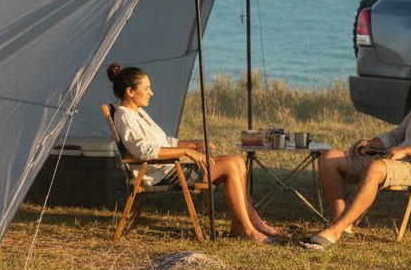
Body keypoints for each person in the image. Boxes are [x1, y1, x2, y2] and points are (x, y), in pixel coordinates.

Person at [302, 53, 411, 250]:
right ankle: (342, 225)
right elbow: (396, 135)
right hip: (396, 161)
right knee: (329, 158)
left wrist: (406, 150)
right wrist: (372, 143)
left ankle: (335, 231)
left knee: (376, 167)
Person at [106, 63, 282, 243]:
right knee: (230, 166)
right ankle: (245, 229)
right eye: (146, 88)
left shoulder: (138, 113)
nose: (151, 92)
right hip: (164, 173)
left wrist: (192, 144)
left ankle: (250, 222)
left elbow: (163, 143)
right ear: (130, 91)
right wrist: (185, 151)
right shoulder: (125, 117)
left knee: (237, 160)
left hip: (170, 167)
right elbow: (143, 150)